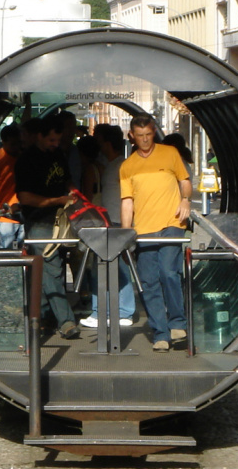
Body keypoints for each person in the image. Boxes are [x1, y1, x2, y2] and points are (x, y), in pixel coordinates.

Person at [120, 115, 191, 352]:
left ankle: (177, 323)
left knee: (169, 271)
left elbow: (185, 180)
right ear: (132, 136)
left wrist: (186, 201)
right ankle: (160, 333)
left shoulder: (170, 153)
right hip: (143, 229)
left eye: (148, 135)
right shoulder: (127, 166)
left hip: (172, 222)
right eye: (139, 136)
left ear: (154, 132)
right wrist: (126, 233)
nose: (145, 140)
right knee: (149, 282)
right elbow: (127, 202)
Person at [15, 114, 79, 339]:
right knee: (52, 267)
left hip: (60, 220)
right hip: (40, 220)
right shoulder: (26, 161)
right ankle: (66, 320)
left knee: (48, 269)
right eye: (51, 140)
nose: (55, 144)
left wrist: (71, 192)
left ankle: (39, 317)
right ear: (39, 136)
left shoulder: (57, 155)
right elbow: (25, 197)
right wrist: (57, 200)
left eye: (58, 140)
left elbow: (67, 180)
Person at [80, 124, 135, 329]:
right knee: (104, 266)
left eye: (99, 139)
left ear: (107, 143)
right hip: (107, 221)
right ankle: (104, 310)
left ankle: (121, 311)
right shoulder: (109, 164)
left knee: (116, 266)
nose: (97, 143)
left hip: (116, 222)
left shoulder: (122, 166)